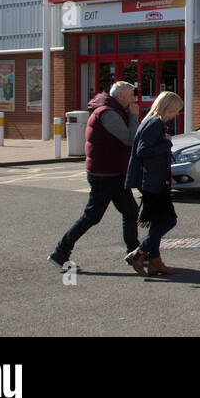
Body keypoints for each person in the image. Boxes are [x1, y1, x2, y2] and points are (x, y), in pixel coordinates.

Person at [49, 81, 140, 272]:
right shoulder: (108, 113)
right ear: (121, 96)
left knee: (130, 210)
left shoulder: (111, 110)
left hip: (114, 171)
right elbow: (129, 138)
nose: (134, 99)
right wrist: (133, 117)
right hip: (104, 173)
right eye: (132, 95)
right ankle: (60, 252)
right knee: (92, 215)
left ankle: (134, 254)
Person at [124, 90, 184, 276]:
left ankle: (155, 262)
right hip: (153, 179)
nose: (176, 114)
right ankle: (139, 253)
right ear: (168, 107)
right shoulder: (155, 124)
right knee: (168, 220)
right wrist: (166, 143)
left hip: (151, 178)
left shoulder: (150, 122)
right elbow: (143, 151)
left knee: (158, 220)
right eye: (175, 110)